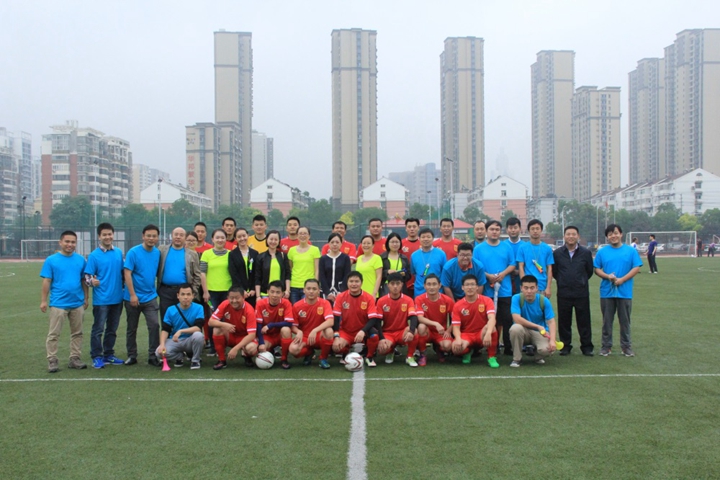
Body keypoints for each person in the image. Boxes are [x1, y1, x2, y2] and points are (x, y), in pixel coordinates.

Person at [40, 230, 88, 373]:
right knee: (54, 334)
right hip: (58, 303)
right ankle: (52, 360)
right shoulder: (51, 260)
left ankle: (75, 358)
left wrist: (86, 298)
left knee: (77, 333)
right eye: (67, 241)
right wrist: (43, 300)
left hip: (77, 303)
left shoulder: (80, 260)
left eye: (73, 242)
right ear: (60, 242)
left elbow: (83, 280)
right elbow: (47, 280)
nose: (70, 244)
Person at [594, 224, 643, 357]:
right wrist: (607, 276)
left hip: (625, 292)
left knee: (625, 321)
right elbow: (596, 269)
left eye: (615, 233)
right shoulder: (602, 252)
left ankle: (626, 347)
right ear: (607, 237)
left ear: (621, 234)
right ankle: (606, 347)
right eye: (610, 234)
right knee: (607, 321)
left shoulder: (630, 251)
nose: (613, 236)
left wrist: (622, 280)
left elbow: (636, 268)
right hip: (606, 292)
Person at [84, 223, 125, 369]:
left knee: (112, 329)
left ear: (113, 235)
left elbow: (123, 274)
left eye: (109, 234)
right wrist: (92, 282)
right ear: (99, 236)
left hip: (117, 299)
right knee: (98, 329)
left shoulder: (118, 253)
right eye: (104, 234)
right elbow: (87, 276)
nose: (107, 237)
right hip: (101, 300)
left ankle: (108, 354)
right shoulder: (94, 255)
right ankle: (96, 356)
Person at [473, 220, 516, 355]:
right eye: (491, 229)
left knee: (507, 319)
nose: (494, 232)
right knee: (490, 319)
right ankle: (492, 345)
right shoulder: (478, 249)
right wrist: (488, 276)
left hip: (505, 291)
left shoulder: (507, 247)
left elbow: (512, 264)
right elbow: (476, 266)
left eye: (497, 230)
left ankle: (508, 346)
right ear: (487, 231)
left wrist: (503, 274)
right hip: (487, 292)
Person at [552, 226, 594, 356]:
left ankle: (586, 347)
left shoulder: (585, 253)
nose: (571, 236)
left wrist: (580, 281)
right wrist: (563, 281)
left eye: (573, 234)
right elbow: (555, 272)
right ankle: (565, 346)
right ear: (564, 236)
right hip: (563, 292)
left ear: (578, 236)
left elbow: (589, 271)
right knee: (564, 321)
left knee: (584, 320)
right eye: (568, 234)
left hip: (581, 292)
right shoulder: (557, 253)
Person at [123, 224, 161, 366]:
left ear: (157, 238)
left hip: (150, 297)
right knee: (132, 328)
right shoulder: (133, 252)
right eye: (148, 236)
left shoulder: (157, 253)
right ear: (143, 236)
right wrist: (132, 295)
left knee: (154, 325)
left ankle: (153, 355)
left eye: (154, 236)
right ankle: (132, 355)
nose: (151, 238)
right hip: (133, 298)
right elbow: (127, 273)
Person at [331, 271, 381, 367]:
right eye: (351, 281)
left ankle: (369, 356)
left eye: (357, 281)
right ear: (347, 283)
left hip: (363, 331)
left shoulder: (369, 298)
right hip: (346, 331)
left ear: (361, 283)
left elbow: (373, 319)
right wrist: (336, 336)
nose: (354, 284)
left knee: (374, 336)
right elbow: (336, 318)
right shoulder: (340, 297)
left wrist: (363, 331)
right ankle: (345, 352)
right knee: (336, 348)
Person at [450, 274, 499, 368]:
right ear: (462, 287)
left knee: (491, 328)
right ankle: (467, 352)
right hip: (467, 335)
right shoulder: (458, 305)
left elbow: (492, 318)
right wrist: (458, 339)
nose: (470, 287)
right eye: (467, 285)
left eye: (472, 284)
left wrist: (488, 333)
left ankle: (491, 357)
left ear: (477, 287)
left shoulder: (487, 300)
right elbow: (456, 327)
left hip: (481, 334)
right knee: (455, 348)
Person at [509, 275, 557, 367]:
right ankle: (517, 359)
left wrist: (552, 340)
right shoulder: (516, 298)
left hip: (540, 333)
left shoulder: (543, 300)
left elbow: (551, 322)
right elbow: (516, 319)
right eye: (526, 288)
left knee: (546, 350)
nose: (529, 291)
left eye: (532, 288)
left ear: (537, 288)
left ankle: (538, 356)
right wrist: (537, 326)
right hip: (523, 331)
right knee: (515, 328)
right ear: (521, 288)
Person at [375, 273, 422, 367]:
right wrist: (381, 338)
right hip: (388, 333)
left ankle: (410, 356)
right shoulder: (381, 301)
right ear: (388, 285)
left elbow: (413, 317)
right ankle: (390, 351)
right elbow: (377, 321)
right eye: (392, 284)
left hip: (402, 332)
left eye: (398, 283)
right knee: (382, 349)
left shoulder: (408, 300)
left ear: (402, 285)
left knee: (414, 331)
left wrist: (411, 331)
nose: (395, 286)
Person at [156, 284, 205, 370]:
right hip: (175, 340)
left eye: (188, 294)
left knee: (199, 335)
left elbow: (198, 328)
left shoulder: (199, 308)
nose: (185, 297)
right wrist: (162, 345)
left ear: (193, 296)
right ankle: (180, 356)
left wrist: (181, 331)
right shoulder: (170, 310)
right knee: (158, 353)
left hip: (190, 340)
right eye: (183, 294)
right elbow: (165, 329)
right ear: (178, 296)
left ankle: (195, 360)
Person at [208, 285, 258, 370]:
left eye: (237, 298)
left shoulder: (249, 310)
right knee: (217, 329)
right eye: (231, 298)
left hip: (244, 337)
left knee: (251, 348)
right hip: (231, 335)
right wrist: (225, 325)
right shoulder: (225, 304)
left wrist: (236, 348)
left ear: (243, 297)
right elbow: (210, 322)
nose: (234, 301)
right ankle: (222, 360)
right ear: (227, 297)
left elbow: (252, 335)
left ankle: (247, 356)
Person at [289, 279, 335, 369]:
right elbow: (293, 325)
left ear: (318, 291)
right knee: (293, 349)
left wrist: (315, 330)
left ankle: (323, 358)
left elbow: (330, 321)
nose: (311, 291)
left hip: (319, 336)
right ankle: (309, 353)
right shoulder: (297, 306)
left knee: (329, 331)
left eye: (314, 289)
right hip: (305, 337)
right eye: (308, 288)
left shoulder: (325, 303)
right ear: (304, 290)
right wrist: (298, 331)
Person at [157, 227, 202, 320]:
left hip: (184, 292)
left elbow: (197, 275)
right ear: (172, 236)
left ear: (185, 238)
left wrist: (193, 291)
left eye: (181, 235)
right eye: (176, 234)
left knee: (183, 320)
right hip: (165, 291)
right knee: (166, 319)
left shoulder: (192, 254)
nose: (178, 237)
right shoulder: (162, 250)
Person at [255, 280, 298, 369]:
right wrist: (261, 343)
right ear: (268, 292)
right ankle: (270, 351)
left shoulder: (286, 303)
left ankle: (284, 359)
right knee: (261, 348)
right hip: (268, 335)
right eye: (272, 292)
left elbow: (289, 322)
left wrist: (270, 325)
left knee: (286, 329)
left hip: (280, 334)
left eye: (278, 292)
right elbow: (258, 325)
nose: (275, 295)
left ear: (282, 293)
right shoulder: (260, 303)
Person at [414, 274, 455, 362]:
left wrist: (448, 331)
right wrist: (436, 324)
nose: (431, 287)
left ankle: (439, 349)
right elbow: (420, 318)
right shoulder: (419, 299)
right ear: (424, 286)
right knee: (421, 327)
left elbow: (456, 319)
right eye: (429, 284)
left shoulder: (447, 300)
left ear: (439, 285)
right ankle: (423, 354)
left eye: (434, 284)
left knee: (448, 346)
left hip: (441, 332)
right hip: (427, 331)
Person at [517, 219, 554, 298]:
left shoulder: (547, 248)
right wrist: (524, 285)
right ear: (529, 231)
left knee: (541, 305)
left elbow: (550, 269)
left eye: (537, 228)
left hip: (542, 286)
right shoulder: (522, 248)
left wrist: (548, 287)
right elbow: (521, 267)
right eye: (532, 229)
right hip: (528, 287)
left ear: (541, 230)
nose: (535, 231)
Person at [199, 229, 232, 312]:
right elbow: (202, 273)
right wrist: (205, 292)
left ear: (226, 239)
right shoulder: (206, 254)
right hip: (211, 292)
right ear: (212, 239)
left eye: (222, 238)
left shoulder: (231, 254)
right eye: (217, 238)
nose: (220, 240)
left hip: (228, 291)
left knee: (227, 315)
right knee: (213, 315)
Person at [287, 226, 321, 303]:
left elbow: (316, 270)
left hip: (309, 286)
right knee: (295, 308)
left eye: (305, 233)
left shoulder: (315, 250)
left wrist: (316, 285)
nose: (303, 236)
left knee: (306, 307)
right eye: (300, 233)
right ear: (297, 235)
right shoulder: (292, 250)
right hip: (294, 285)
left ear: (309, 236)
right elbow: (290, 268)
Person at [410, 228, 447, 296]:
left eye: (428, 237)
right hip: (419, 290)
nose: (426, 239)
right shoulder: (414, 255)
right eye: (423, 237)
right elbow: (413, 272)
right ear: (419, 239)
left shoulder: (441, 254)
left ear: (433, 238)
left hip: (436, 290)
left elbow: (444, 272)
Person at [254, 230, 291, 299]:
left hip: (281, 294)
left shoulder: (283, 256)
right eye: (271, 239)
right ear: (267, 240)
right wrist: (258, 296)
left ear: (279, 241)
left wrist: (287, 290)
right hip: (265, 294)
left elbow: (287, 274)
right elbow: (257, 277)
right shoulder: (260, 257)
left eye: (276, 239)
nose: (273, 242)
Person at [228, 227, 259, 307]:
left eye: (244, 236)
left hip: (253, 292)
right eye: (239, 237)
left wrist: (253, 289)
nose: (242, 238)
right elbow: (234, 274)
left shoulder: (254, 253)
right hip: (239, 293)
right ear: (235, 239)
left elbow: (257, 272)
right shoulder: (232, 254)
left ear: (248, 236)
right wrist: (241, 290)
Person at [319, 232, 352, 303]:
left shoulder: (345, 258)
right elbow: (322, 276)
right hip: (326, 292)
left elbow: (347, 275)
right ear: (328, 244)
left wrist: (341, 292)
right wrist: (328, 293)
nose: (334, 244)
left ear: (341, 244)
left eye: (337, 242)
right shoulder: (323, 259)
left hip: (341, 292)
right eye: (332, 242)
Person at [401, 217, 421, 296]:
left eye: (414, 226)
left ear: (418, 228)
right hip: (405, 282)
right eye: (409, 227)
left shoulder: (424, 243)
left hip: (420, 282)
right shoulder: (401, 244)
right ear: (406, 228)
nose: (412, 229)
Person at [504, 217, 523, 294]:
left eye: (515, 228)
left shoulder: (525, 246)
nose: (513, 230)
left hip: (521, 281)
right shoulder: (503, 245)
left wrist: (520, 271)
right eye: (510, 228)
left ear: (520, 229)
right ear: (506, 230)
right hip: (505, 280)